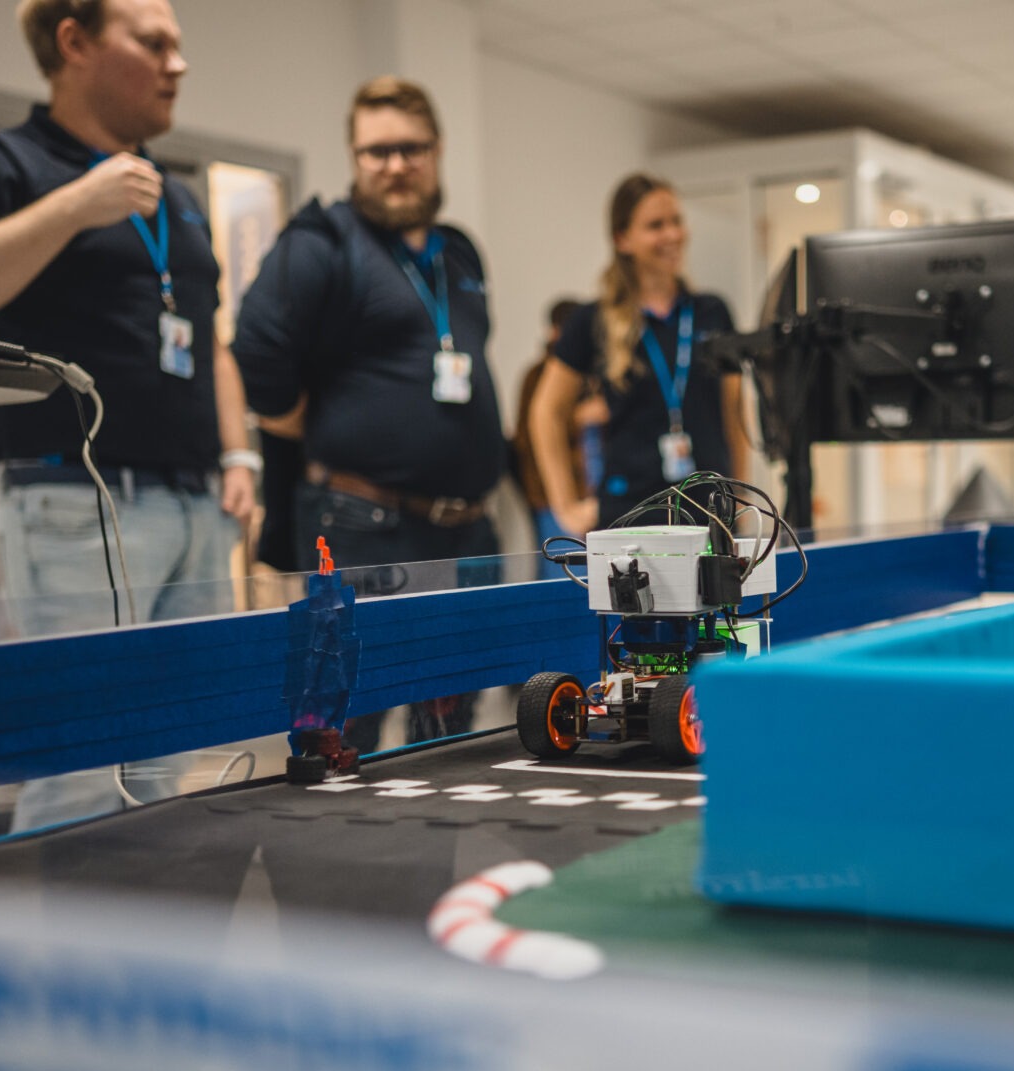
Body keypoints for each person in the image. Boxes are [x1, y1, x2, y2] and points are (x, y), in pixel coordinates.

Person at [0, 0, 257, 830]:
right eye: (154, 43)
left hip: (196, 506)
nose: (178, 64)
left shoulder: (176, 195)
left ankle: (146, 918)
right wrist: (74, 206)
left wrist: (239, 457)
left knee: (164, 762)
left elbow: (208, 339)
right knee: (83, 771)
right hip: (76, 506)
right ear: (74, 43)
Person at [233, 76, 503, 750]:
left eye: (411, 148)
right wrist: (312, 424)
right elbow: (255, 348)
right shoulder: (322, 241)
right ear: (355, 158)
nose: (395, 165)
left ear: (437, 150)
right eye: (376, 151)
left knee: (450, 734)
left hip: (466, 533)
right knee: (344, 731)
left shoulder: (459, 251)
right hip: (362, 527)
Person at [528, 173, 751, 534]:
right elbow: (546, 411)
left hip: (710, 509)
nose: (672, 235)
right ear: (622, 239)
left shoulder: (712, 312)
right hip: (630, 516)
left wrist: (741, 491)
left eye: (676, 221)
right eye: (655, 225)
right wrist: (565, 507)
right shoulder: (594, 320)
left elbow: (734, 410)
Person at [510, 297, 606, 568]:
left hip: (596, 491)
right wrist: (580, 417)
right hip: (553, 496)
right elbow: (529, 436)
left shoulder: (596, 374)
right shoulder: (536, 377)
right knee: (563, 567)